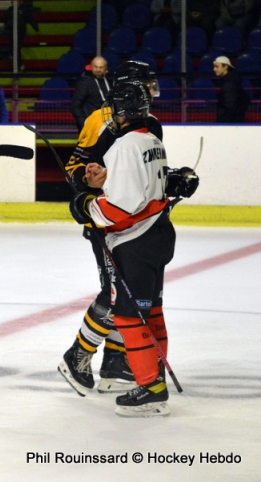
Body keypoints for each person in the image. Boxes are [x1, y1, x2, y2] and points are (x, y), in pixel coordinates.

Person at [59, 60, 199, 397]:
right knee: (116, 294)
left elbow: (141, 173)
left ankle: (117, 361)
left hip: (138, 220)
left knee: (134, 298)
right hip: (108, 220)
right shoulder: (100, 119)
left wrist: (172, 178)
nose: (152, 91)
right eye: (147, 84)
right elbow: (75, 166)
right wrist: (92, 185)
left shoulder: (147, 124)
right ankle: (78, 355)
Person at [0, 0, 40, 71]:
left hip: (21, 32)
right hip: (11, 32)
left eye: (17, 2)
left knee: (17, 48)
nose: (14, 3)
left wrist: (36, 29)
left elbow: (31, 20)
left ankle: (19, 65)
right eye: (13, 2)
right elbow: (4, 18)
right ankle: (18, 63)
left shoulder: (24, 10)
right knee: (12, 48)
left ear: (21, 2)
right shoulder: (10, 10)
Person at [71, 56, 110, 131]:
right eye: (95, 67)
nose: (98, 70)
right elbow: (75, 106)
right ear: (91, 67)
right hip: (90, 126)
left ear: (106, 69)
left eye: (101, 67)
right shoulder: (84, 82)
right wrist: (84, 123)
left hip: (106, 125)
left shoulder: (108, 81)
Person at [213, 55, 249, 123]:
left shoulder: (229, 84)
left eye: (217, 67)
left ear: (225, 67)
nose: (214, 69)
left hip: (229, 124)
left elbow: (230, 107)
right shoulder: (232, 81)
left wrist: (225, 122)